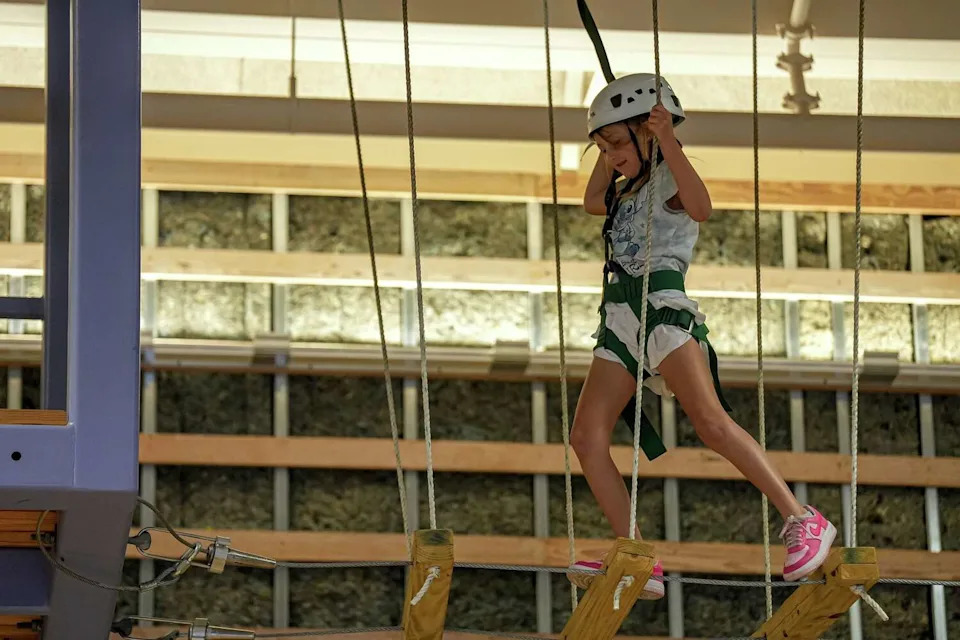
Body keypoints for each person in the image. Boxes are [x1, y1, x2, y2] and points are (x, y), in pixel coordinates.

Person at [567, 73, 836, 598]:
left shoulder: (670, 176)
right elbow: (593, 201)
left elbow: (702, 206)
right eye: (602, 148)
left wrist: (663, 139)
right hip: (621, 315)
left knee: (711, 422)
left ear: (651, 131)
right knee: (586, 438)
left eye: (617, 145)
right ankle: (636, 554)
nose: (610, 156)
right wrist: (616, 148)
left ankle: (802, 517)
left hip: (662, 310)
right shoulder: (627, 188)